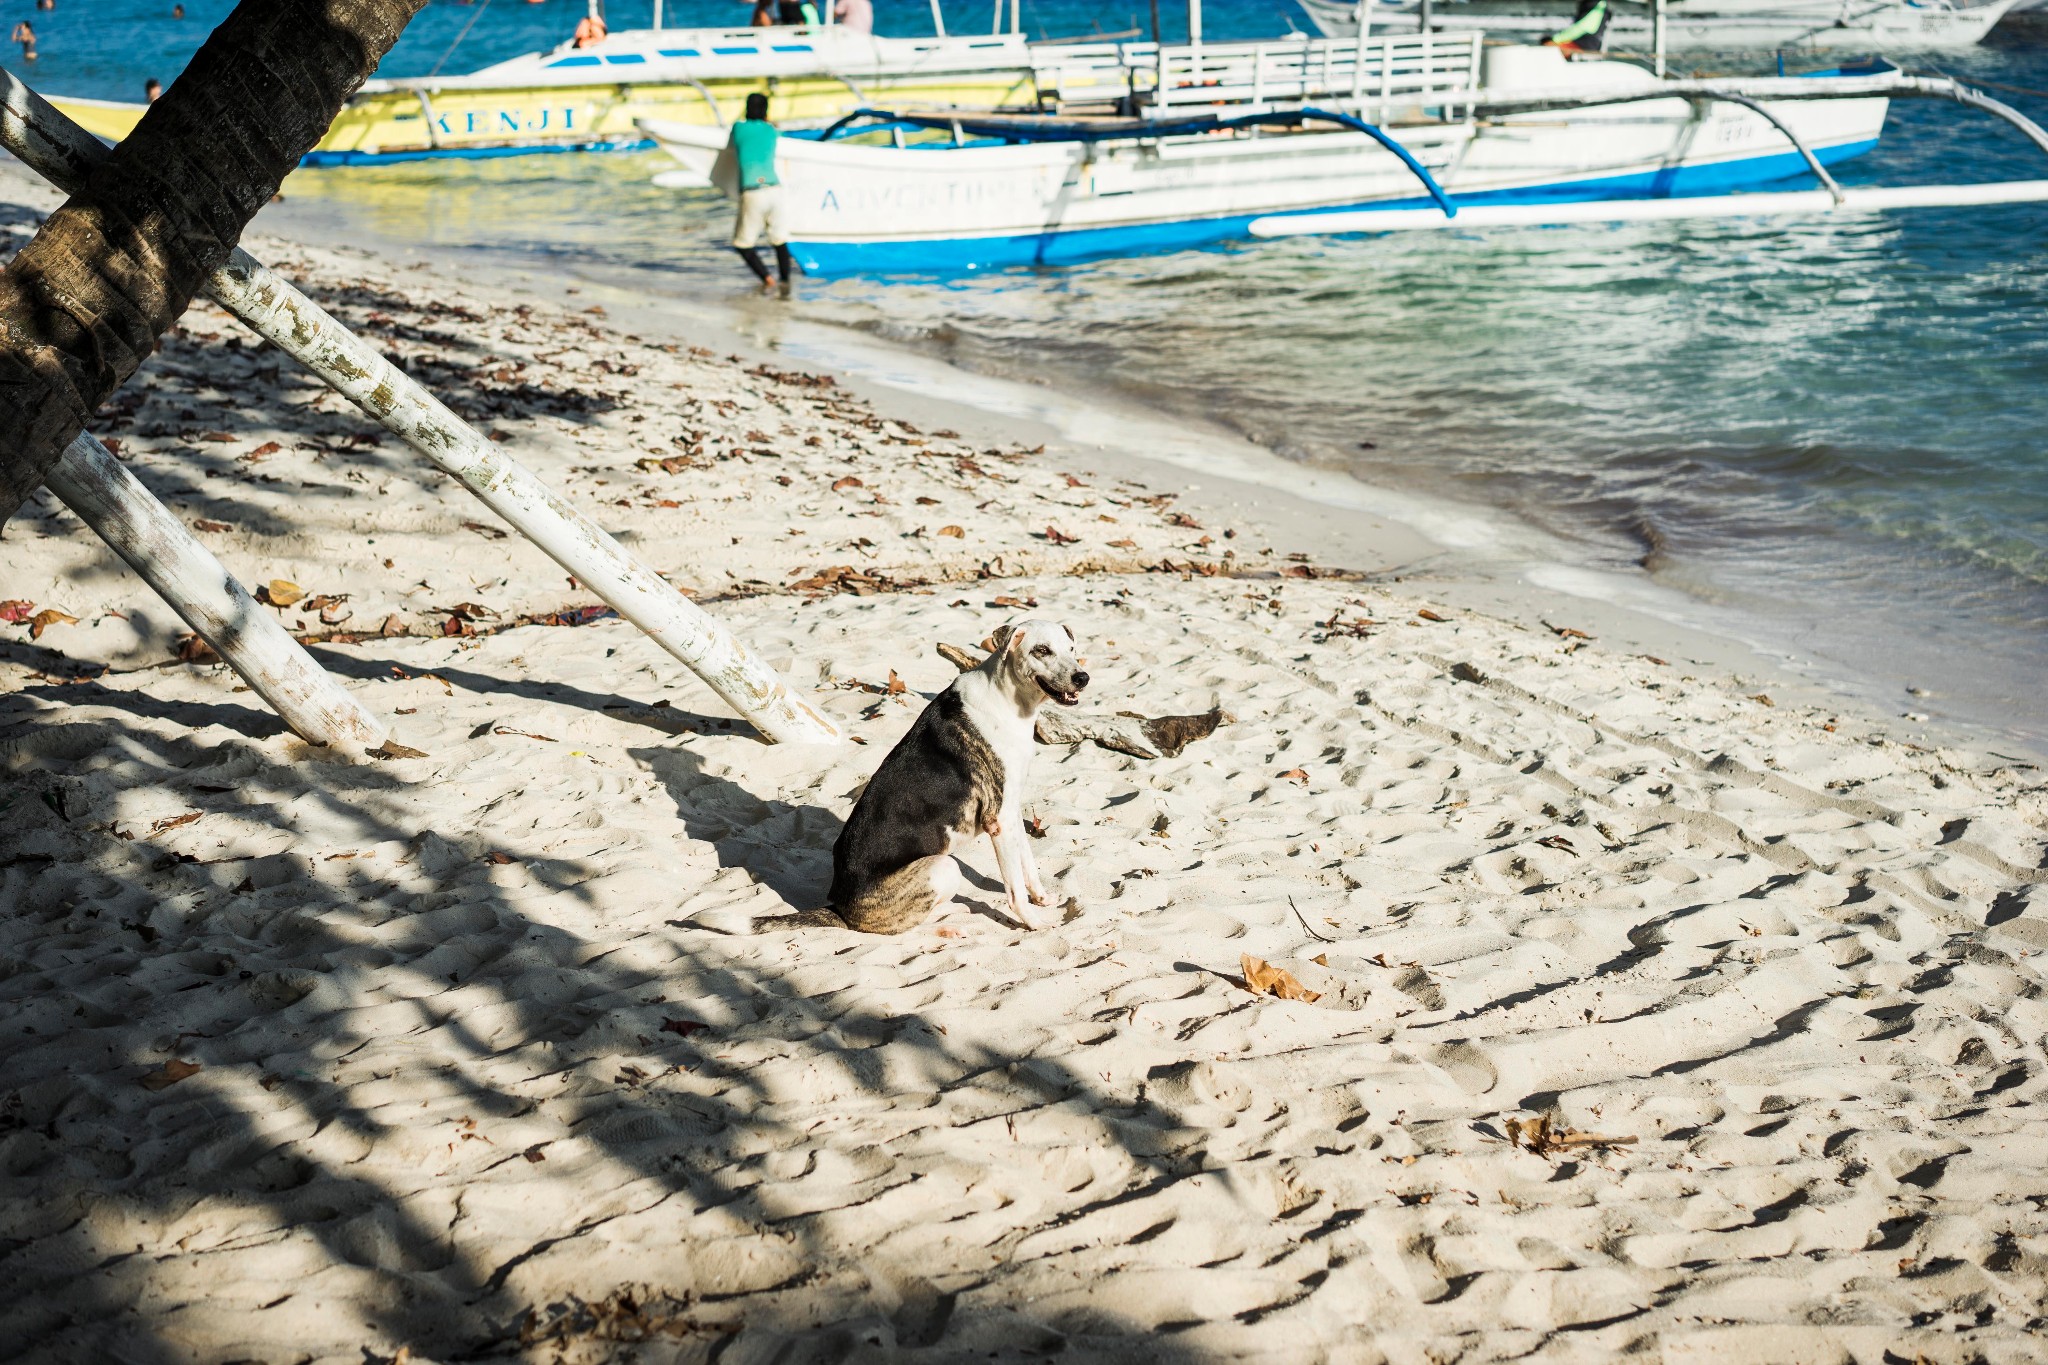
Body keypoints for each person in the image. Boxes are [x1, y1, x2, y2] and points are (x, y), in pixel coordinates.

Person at [728, 92, 793, 298]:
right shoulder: (771, 130)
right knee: (779, 241)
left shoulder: (738, 128)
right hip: (775, 190)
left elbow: (732, 144)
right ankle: (786, 285)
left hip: (753, 192)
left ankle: (768, 279)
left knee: (743, 245)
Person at [1546, 0, 1610, 53]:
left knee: (1548, 46)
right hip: (1580, 44)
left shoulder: (1598, 7)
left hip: (1584, 47)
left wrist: (1555, 39)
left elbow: (1581, 28)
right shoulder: (1591, 5)